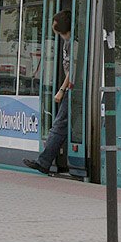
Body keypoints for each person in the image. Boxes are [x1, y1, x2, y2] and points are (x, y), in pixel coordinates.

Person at [24, 10, 72, 175]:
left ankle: (43, 162)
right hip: (70, 88)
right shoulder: (67, 43)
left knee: (59, 125)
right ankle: (44, 161)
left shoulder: (73, 43)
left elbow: (72, 71)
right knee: (61, 125)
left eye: (54, 24)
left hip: (72, 89)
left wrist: (61, 90)